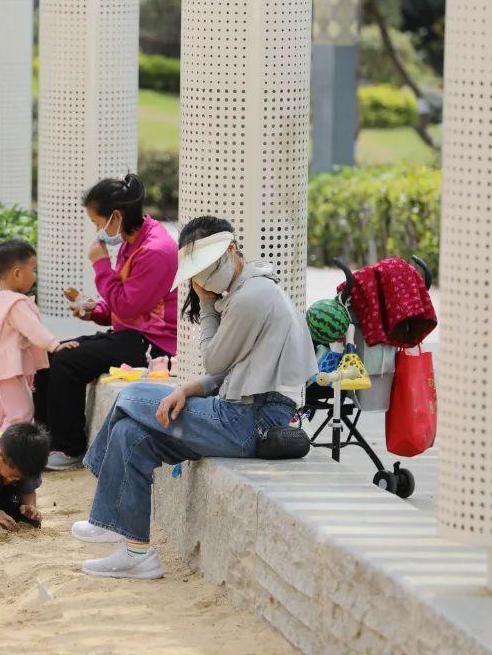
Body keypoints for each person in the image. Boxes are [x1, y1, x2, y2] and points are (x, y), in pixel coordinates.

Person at [72, 216, 316, 579]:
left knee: (131, 396)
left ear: (231, 249)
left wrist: (204, 304)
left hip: (250, 421)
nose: (202, 280)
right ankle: (136, 554)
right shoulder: (250, 288)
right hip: (243, 413)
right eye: (196, 273)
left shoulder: (251, 297)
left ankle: (105, 509)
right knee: (130, 434)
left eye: (206, 268)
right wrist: (186, 389)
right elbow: (228, 368)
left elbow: (214, 359)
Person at [33, 173, 178, 470]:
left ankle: (68, 448)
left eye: (97, 222)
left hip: (154, 345)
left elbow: (126, 305)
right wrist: (94, 311)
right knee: (53, 355)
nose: (98, 231)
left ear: (117, 216)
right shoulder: (132, 240)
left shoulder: (155, 250)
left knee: (68, 362)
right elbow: (123, 302)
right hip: (132, 333)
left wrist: (100, 264)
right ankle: (43, 440)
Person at [0, 240, 79, 431]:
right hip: (7, 370)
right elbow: (34, 330)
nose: (35, 276)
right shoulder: (17, 303)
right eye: (33, 270)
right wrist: (55, 345)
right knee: (20, 414)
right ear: (17, 273)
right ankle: (7, 449)